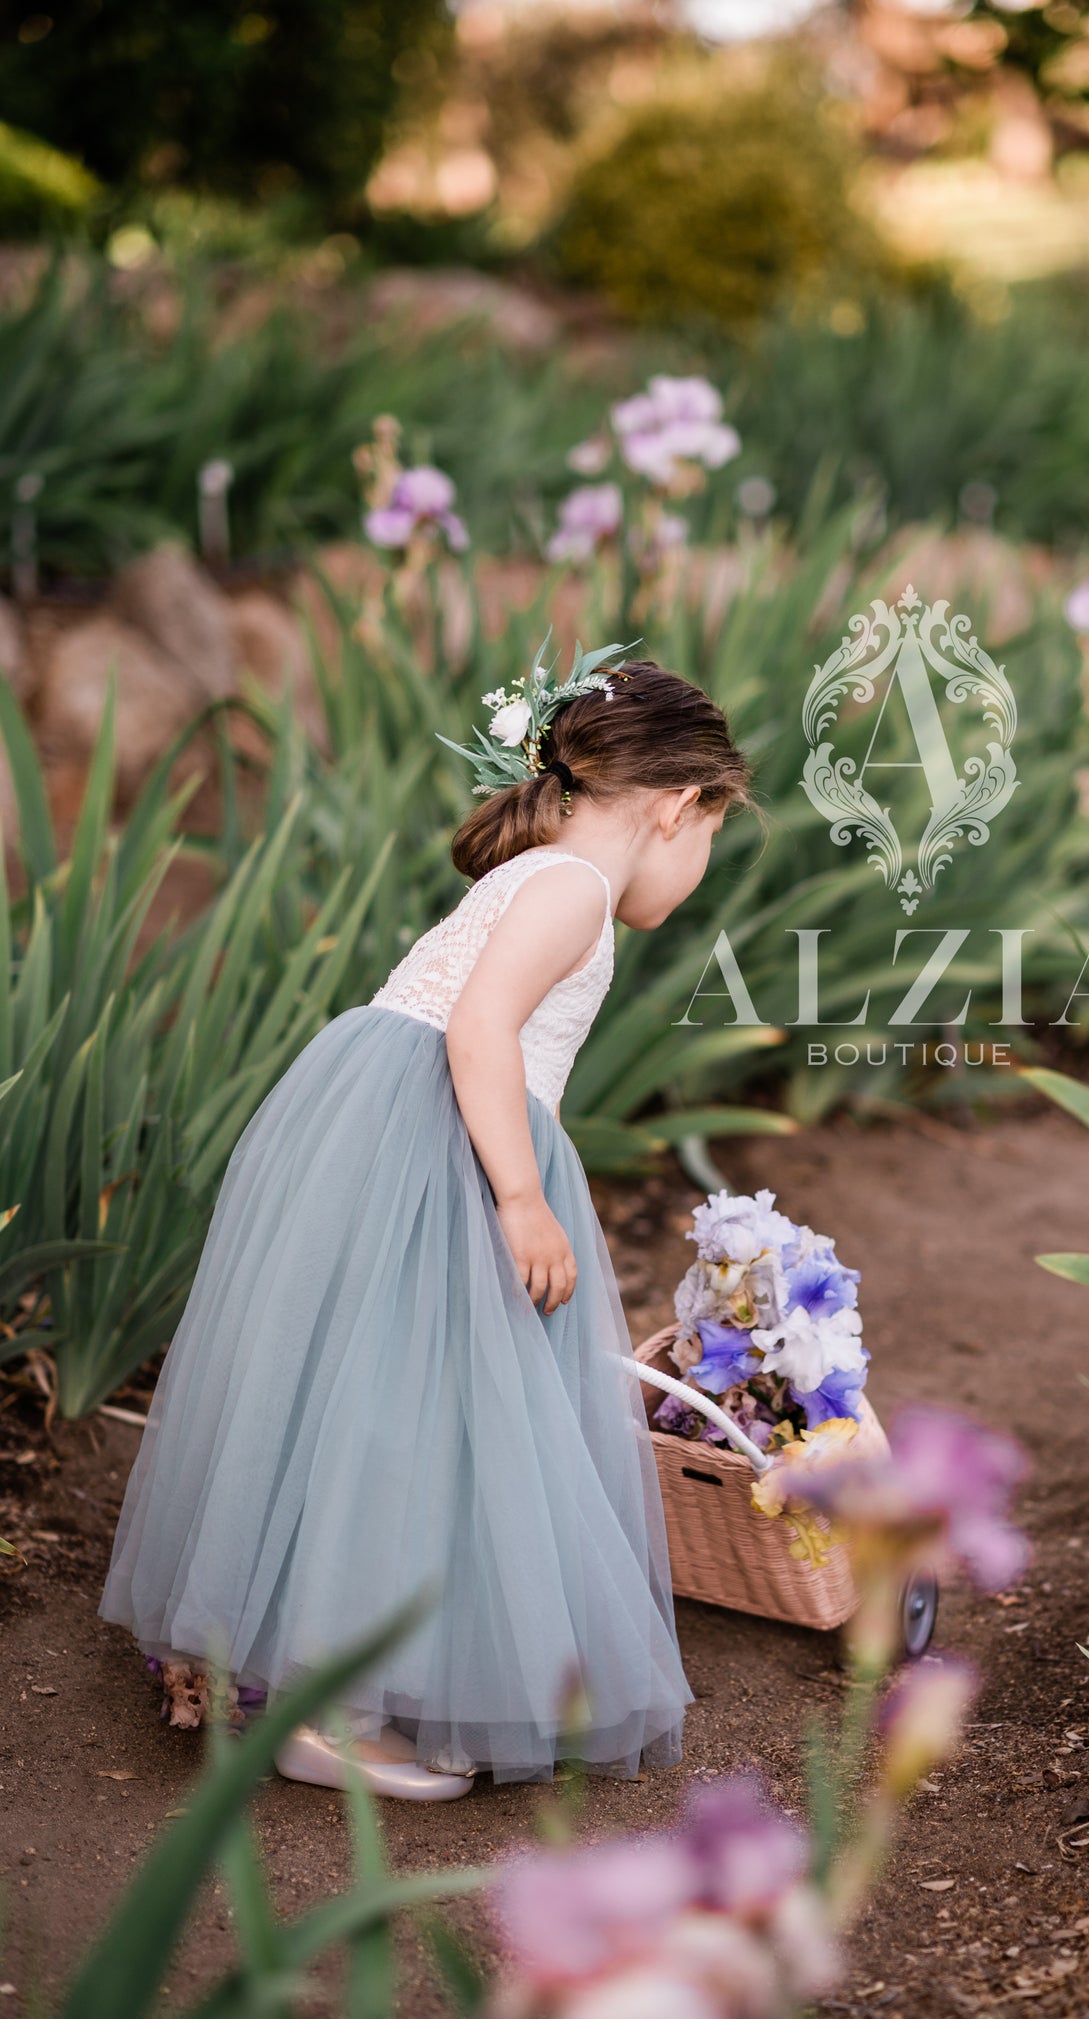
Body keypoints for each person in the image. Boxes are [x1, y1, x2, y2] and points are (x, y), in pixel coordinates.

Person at [100, 641, 753, 1800]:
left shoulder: (545, 872)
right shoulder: (572, 888)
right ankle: (329, 1708)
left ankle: (300, 1664)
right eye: (712, 836)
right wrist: (518, 1198)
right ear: (674, 808)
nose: (700, 863)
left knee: (379, 1397)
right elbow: (478, 1030)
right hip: (442, 1143)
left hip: (397, 1125)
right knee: (407, 1405)